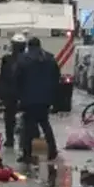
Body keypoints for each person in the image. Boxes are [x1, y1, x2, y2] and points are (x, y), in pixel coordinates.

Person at [13, 37, 59, 165]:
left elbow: (17, 78)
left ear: (28, 46)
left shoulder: (23, 59)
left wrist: (18, 96)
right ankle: (52, 150)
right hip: (45, 98)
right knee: (45, 123)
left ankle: (28, 154)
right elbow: (56, 77)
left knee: (29, 127)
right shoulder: (50, 58)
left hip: (28, 98)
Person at [0, 34, 26, 148]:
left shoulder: (7, 59)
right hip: (23, 93)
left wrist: (2, 93)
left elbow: (2, 78)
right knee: (26, 119)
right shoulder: (27, 59)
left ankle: (10, 139)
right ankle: (23, 142)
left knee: (9, 118)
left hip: (10, 93)